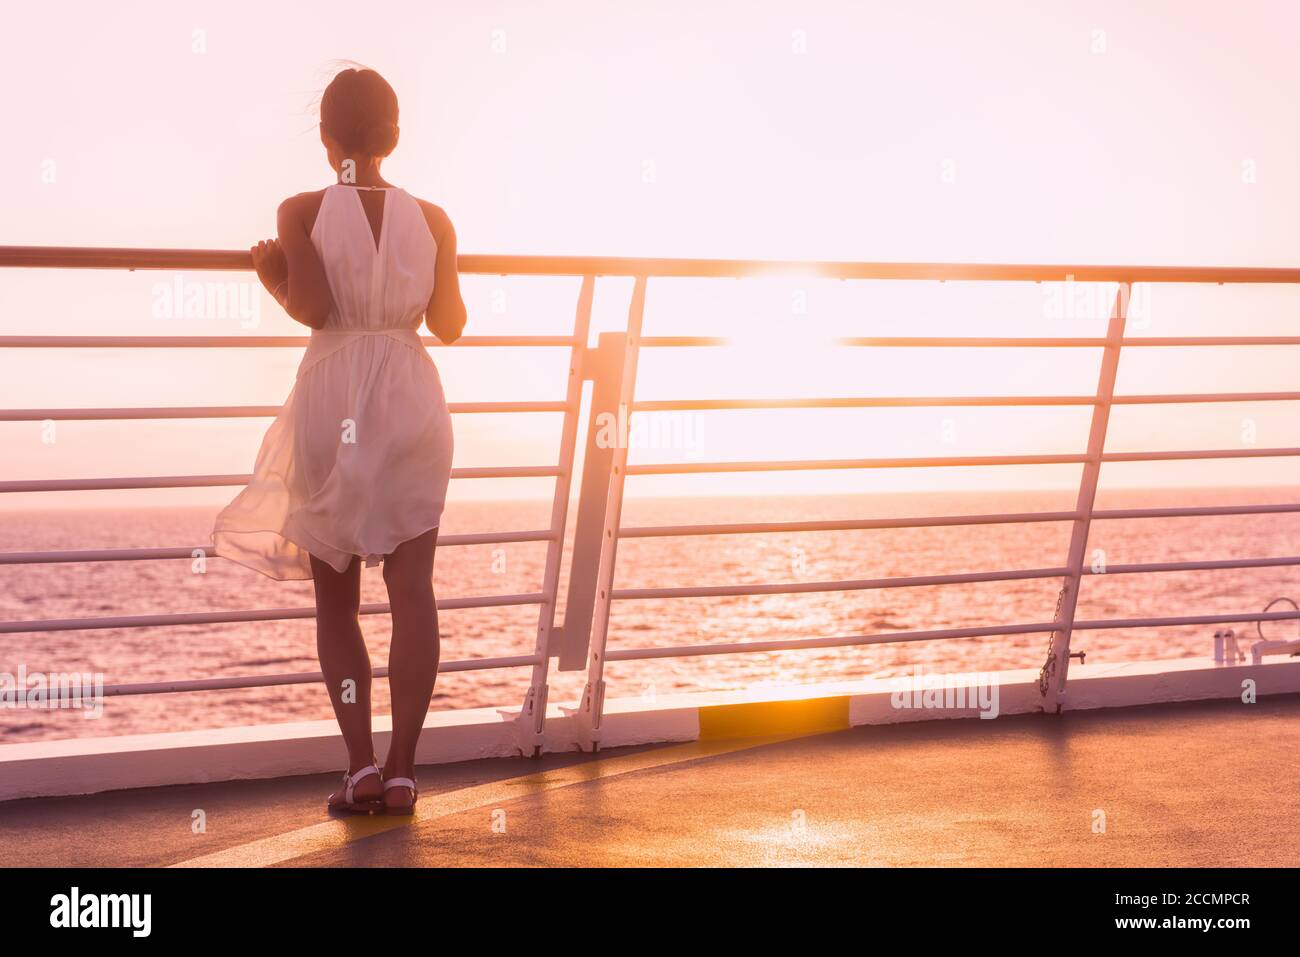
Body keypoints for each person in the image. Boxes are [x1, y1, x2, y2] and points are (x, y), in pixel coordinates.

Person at [213, 66, 466, 815]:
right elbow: (450, 323)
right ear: (393, 135)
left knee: (338, 598)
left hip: (335, 397)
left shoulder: (299, 210)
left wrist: (270, 277)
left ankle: (358, 765)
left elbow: (314, 306)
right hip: (412, 396)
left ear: (326, 140)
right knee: (413, 589)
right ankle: (402, 771)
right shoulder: (436, 218)